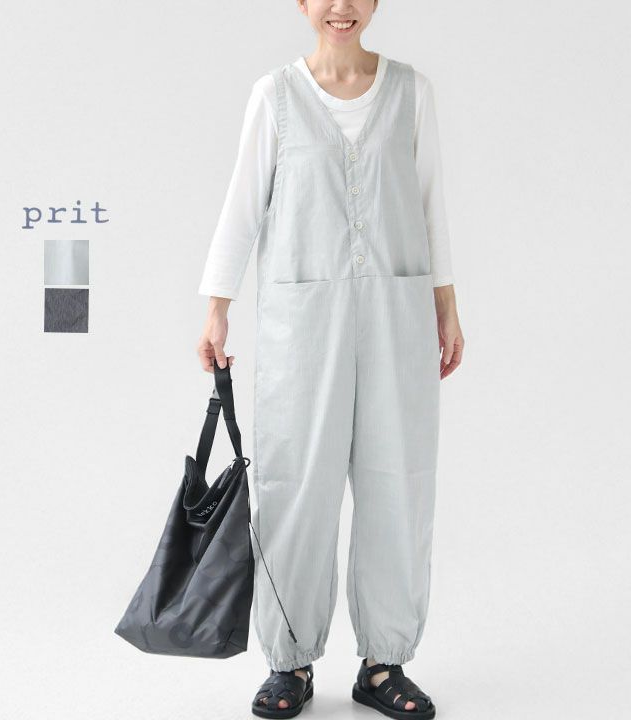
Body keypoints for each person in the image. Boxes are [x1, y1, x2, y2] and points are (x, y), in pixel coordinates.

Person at [196, 1, 464, 717]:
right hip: (301, 322)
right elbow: (242, 206)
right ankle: (289, 663)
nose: (340, 7)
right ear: (303, 4)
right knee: (295, 484)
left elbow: (431, 203)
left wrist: (446, 303)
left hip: (398, 313)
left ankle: (384, 663)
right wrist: (218, 306)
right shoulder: (275, 96)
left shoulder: (411, 92)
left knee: (398, 482)